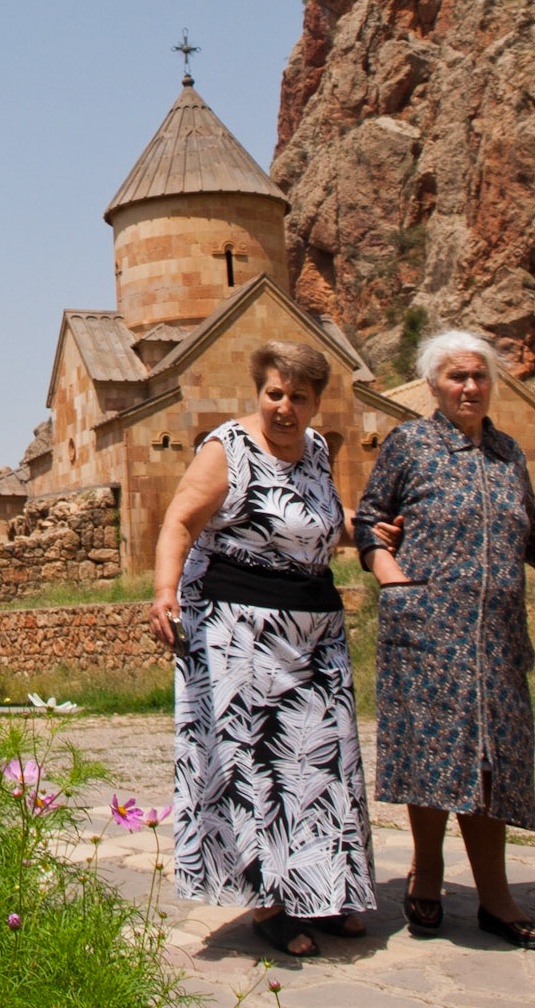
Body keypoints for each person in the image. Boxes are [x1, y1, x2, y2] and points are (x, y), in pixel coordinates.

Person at [355, 330, 535, 949]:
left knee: (495, 763)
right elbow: (367, 520)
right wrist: (392, 577)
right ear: (434, 385)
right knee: (432, 755)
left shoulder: (509, 452)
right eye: (457, 376)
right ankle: (426, 877)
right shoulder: (410, 444)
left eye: (480, 376)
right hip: (427, 632)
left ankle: (495, 897)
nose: (470, 387)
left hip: (498, 640)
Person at [151, 342, 380, 958]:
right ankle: (270, 903)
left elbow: (315, 516)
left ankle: (321, 895)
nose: (284, 406)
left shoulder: (316, 450)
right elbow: (179, 521)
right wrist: (164, 591)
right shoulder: (226, 448)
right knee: (259, 767)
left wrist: (365, 526)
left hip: (315, 632)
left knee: (321, 766)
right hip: (241, 633)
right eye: (274, 393)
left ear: (315, 402)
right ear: (259, 391)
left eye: (298, 397)